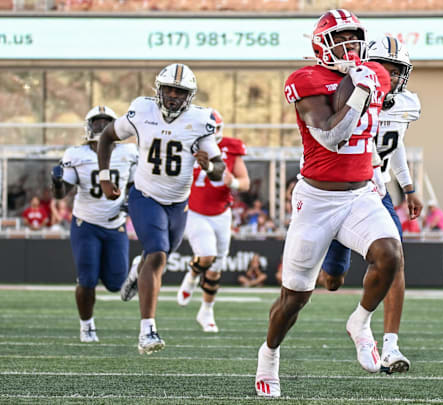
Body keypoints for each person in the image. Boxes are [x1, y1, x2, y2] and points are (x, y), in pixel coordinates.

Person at [255, 10, 399, 398]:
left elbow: (376, 128)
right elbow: (333, 136)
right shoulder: (305, 79)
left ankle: (361, 321)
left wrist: (378, 172)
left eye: (354, 40)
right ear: (321, 44)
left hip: (358, 194)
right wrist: (358, 92)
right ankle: (269, 356)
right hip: (316, 199)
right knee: (296, 297)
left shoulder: (376, 74)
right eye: (341, 40)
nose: (349, 47)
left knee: (390, 255)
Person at [97, 63, 226, 355]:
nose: (172, 95)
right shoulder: (142, 111)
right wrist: (105, 177)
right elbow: (106, 136)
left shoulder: (200, 120)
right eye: (168, 88)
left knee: (158, 258)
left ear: (189, 96)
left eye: (179, 91)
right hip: (145, 196)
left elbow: (220, 169)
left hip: (178, 204)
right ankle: (147, 331)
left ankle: (136, 271)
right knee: (157, 255)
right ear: (158, 89)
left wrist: (210, 166)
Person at [316, 35, 422, 375]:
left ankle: (390, 346)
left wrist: (407, 186)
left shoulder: (407, 104)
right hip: (340, 191)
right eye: (383, 68)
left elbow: (397, 142)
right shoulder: (349, 95)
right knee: (333, 279)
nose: (389, 77)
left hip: (377, 193)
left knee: (396, 261)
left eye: (395, 70)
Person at [50, 105, 138, 343]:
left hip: (115, 224)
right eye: (96, 122)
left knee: (115, 284)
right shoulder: (75, 154)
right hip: (86, 223)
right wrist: (57, 182)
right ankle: (86, 325)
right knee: (87, 279)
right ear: (88, 127)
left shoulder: (128, 152)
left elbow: (135, 186)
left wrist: (130, 203)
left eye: (105, 122)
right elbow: (61, 194)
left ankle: (132, 273)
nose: (100, 127)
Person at [176, 110, 250, 333]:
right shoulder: (188, 144)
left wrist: (233, 183)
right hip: (195, 211)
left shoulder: (231, 146)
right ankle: (191, 276)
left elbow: (245, 183)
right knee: (207, 256)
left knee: (216, 268)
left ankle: (206, 311)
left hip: (221, 213)